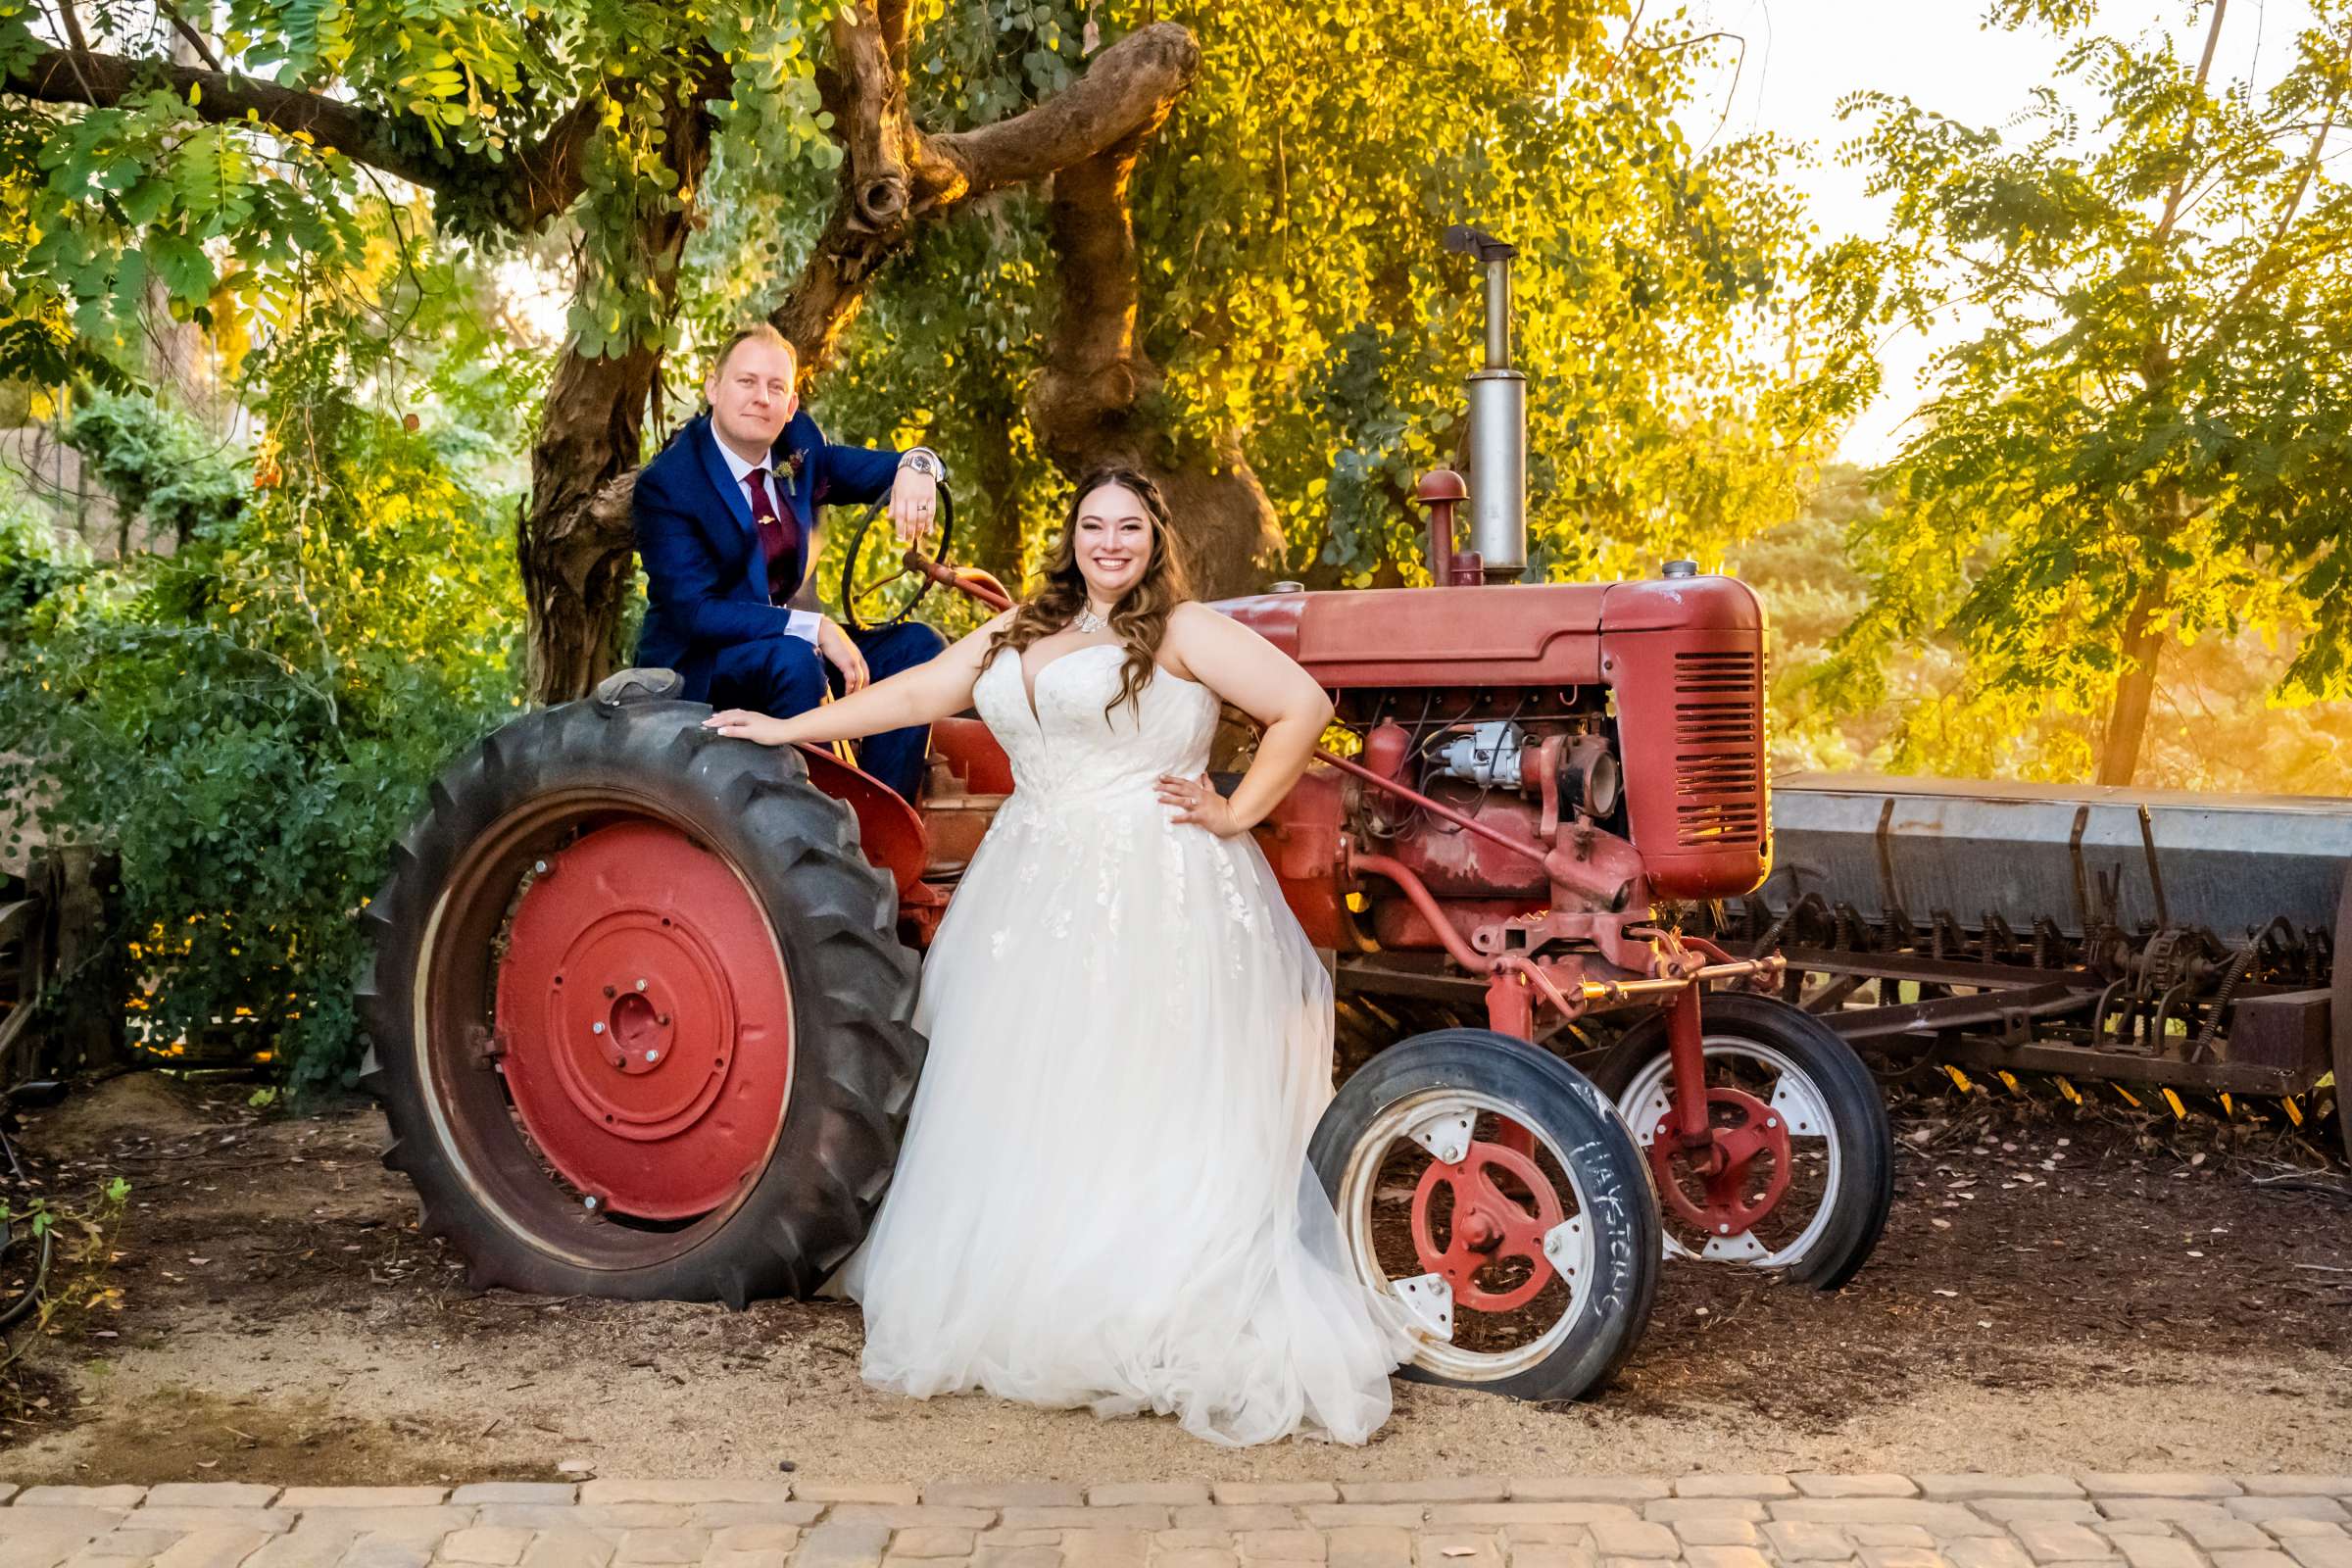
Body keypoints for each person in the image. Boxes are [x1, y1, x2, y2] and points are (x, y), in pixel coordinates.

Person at [705, 467, 1413, 1446]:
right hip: (1030, 887)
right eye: (1094, 525)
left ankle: (1135, 1295)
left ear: (1155, 539)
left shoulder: (1184, 630)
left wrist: (1237, 810)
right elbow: (917, 689)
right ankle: (1021, 1286)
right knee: (1024, 1085)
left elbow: (1303, 703)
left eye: (1129, 527)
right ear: (1072, 536)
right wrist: (791, 728)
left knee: (1129, 1082)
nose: (1110, 542)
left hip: (1150, 881)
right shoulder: (1028, 628)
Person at [632, 323, 951, 803]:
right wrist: (811, 626)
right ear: (712, 387)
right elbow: (695, 612)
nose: (762, 398)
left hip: (792, 652)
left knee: (918, 647)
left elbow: (886, 467)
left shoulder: (797, 450)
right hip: (703, 665)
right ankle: (816, 831)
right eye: (746, 382)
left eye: (775, 387)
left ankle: (881, 817)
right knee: (794, 657)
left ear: (791, 405)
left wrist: (920, 466)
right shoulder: (671, 483)